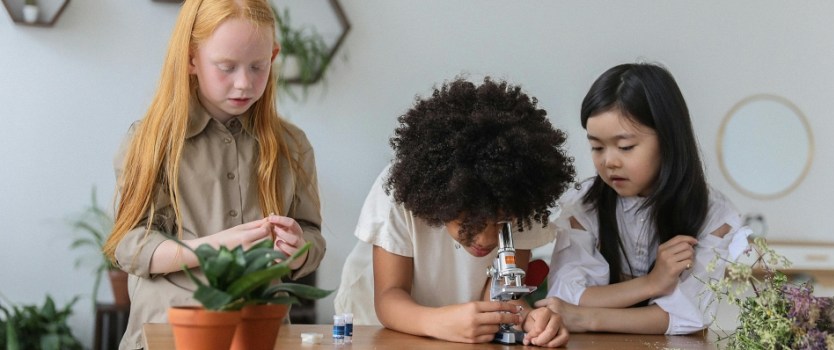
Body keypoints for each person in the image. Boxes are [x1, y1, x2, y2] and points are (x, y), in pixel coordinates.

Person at [102, 1, 325, 348]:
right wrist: (216, 247)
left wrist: (298, 245)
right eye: (226, 67)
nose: (244, 83)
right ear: (191, 59)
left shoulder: (292, 146)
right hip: (171, 337)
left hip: (262, 336)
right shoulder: (150, 142)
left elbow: (312, 235)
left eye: (258, 67)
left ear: (274, 56)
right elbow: (130, 246)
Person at [334, 77, 574, 347]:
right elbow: (390, 296)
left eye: (500, 223)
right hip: (379, 323)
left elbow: (498, 295)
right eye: (468, 222)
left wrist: (529, 319)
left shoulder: (518, 197)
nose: (486, 240)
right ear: (438, 201)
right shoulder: (398, 194)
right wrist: (438, 322)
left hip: (462, 330)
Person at [536, 63, 750, 334]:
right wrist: (652, 283)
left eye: (625, 147)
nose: (609, 161)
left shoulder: (714, 216)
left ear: (668, 140)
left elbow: (688, 316)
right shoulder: (583, 205)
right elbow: (568, 295)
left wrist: (584, 318)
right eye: (596, 147)